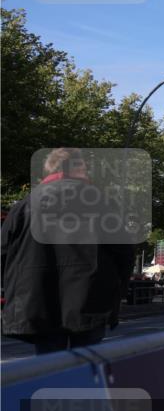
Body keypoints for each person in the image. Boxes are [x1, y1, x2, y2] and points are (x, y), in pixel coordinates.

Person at [0, 147, 134, 354]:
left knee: (50, 369)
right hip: (91, 301)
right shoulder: (102, 204)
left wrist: (11, 293)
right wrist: (119, 291)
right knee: (88, 369)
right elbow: (124, 253)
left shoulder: (23, 207)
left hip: (38, 301)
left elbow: (3, 253)